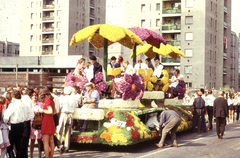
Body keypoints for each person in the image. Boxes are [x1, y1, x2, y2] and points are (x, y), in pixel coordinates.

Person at [4, 90, 25, 158]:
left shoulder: (12, 105)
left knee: (10, 145)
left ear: (13, 96)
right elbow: (30, 114)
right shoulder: (23, 104)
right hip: (22, 125)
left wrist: (6, 121)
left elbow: (7, 115)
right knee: (18, 145)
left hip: (14, 125)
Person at [58, 87, 77, 153]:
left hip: (63, 115)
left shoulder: (61, 98)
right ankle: (66, 147)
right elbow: (76, 106)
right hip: (70, 115)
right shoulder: (73, 98)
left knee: (61, 131)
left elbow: (59, 107)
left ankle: (59, 146)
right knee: (68, 132)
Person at [39, 88, 55, 158]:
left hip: (46, 121)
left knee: (45, 142)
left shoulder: (47, 100)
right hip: (51, 121)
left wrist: (42, 111)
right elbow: (55, 111)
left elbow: (50, 111)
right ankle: (51, 156)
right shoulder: (51, 100)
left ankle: (47, 157)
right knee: (51, 141)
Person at [46, 85, 62, 152]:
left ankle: (52, 147)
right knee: (52, 133)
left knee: (49, 134)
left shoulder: (48, 98)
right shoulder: (57, 98)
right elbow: (59, 109)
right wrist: (58, 118)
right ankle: (56, 145)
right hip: (56, 116)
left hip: (50, 116)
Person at [21, 87, 35, 158]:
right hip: (26, 121)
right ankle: (25, 155)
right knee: (25, 140)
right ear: (32, 94)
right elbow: (30, 112)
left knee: (21, 140)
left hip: (20, 121)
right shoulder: (29, 100)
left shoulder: (22, 98)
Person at [29, 90, 43, 158]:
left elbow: (43, 113)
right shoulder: (29, 104)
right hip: (31, 123)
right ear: (31, 96)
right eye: (33, 95)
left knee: (39, 140)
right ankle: (31, 155)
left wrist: (39, 112)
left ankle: (40, 155)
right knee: (32, 140)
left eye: (36, 95)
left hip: (39, 123)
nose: (34, 97)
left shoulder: (40, 104)